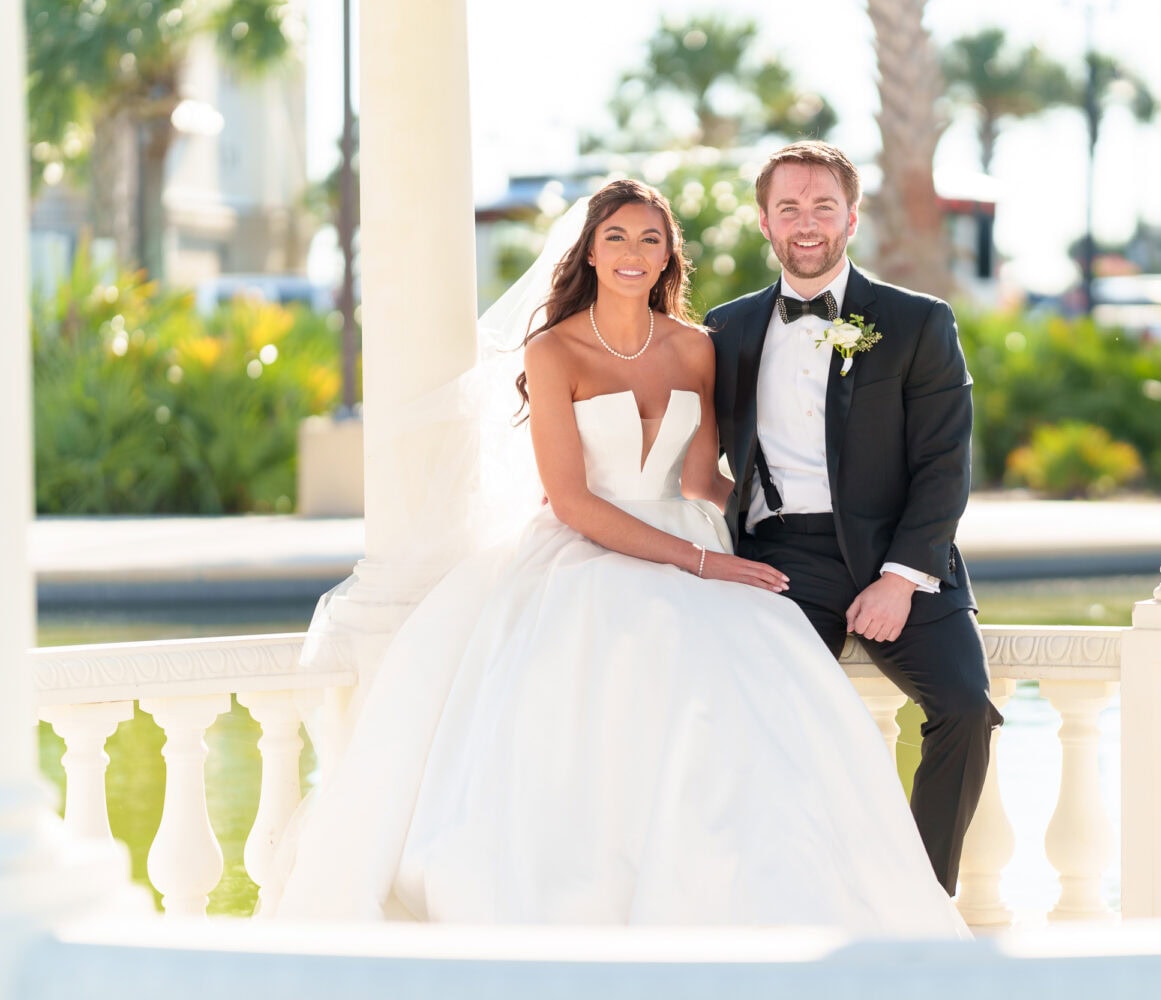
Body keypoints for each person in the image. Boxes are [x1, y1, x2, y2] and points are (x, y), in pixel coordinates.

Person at [259, 179, 968, 937]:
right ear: (590, 252)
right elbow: (571, 501)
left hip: (693, 533)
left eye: (650, 240)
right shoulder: (552, 348)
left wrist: (811, 513)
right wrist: (702, 566)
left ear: (669, 256)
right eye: (618, 239)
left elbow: (700, 477)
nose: (633, 254)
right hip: (586, 546)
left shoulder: (696, 347)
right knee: (625, 655)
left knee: (760, 676)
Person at [705, 142, 1001, 897]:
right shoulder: (725, 330)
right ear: (765, 222)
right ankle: (792, 897)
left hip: (899, 552)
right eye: (789, 208)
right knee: (767, 722)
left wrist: (902, 578)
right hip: (782, 558)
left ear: (852, 215)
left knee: (966, 710)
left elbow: (945, 462)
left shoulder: (917, 321)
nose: (807, 224)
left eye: (823, 206)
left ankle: (921, 900)